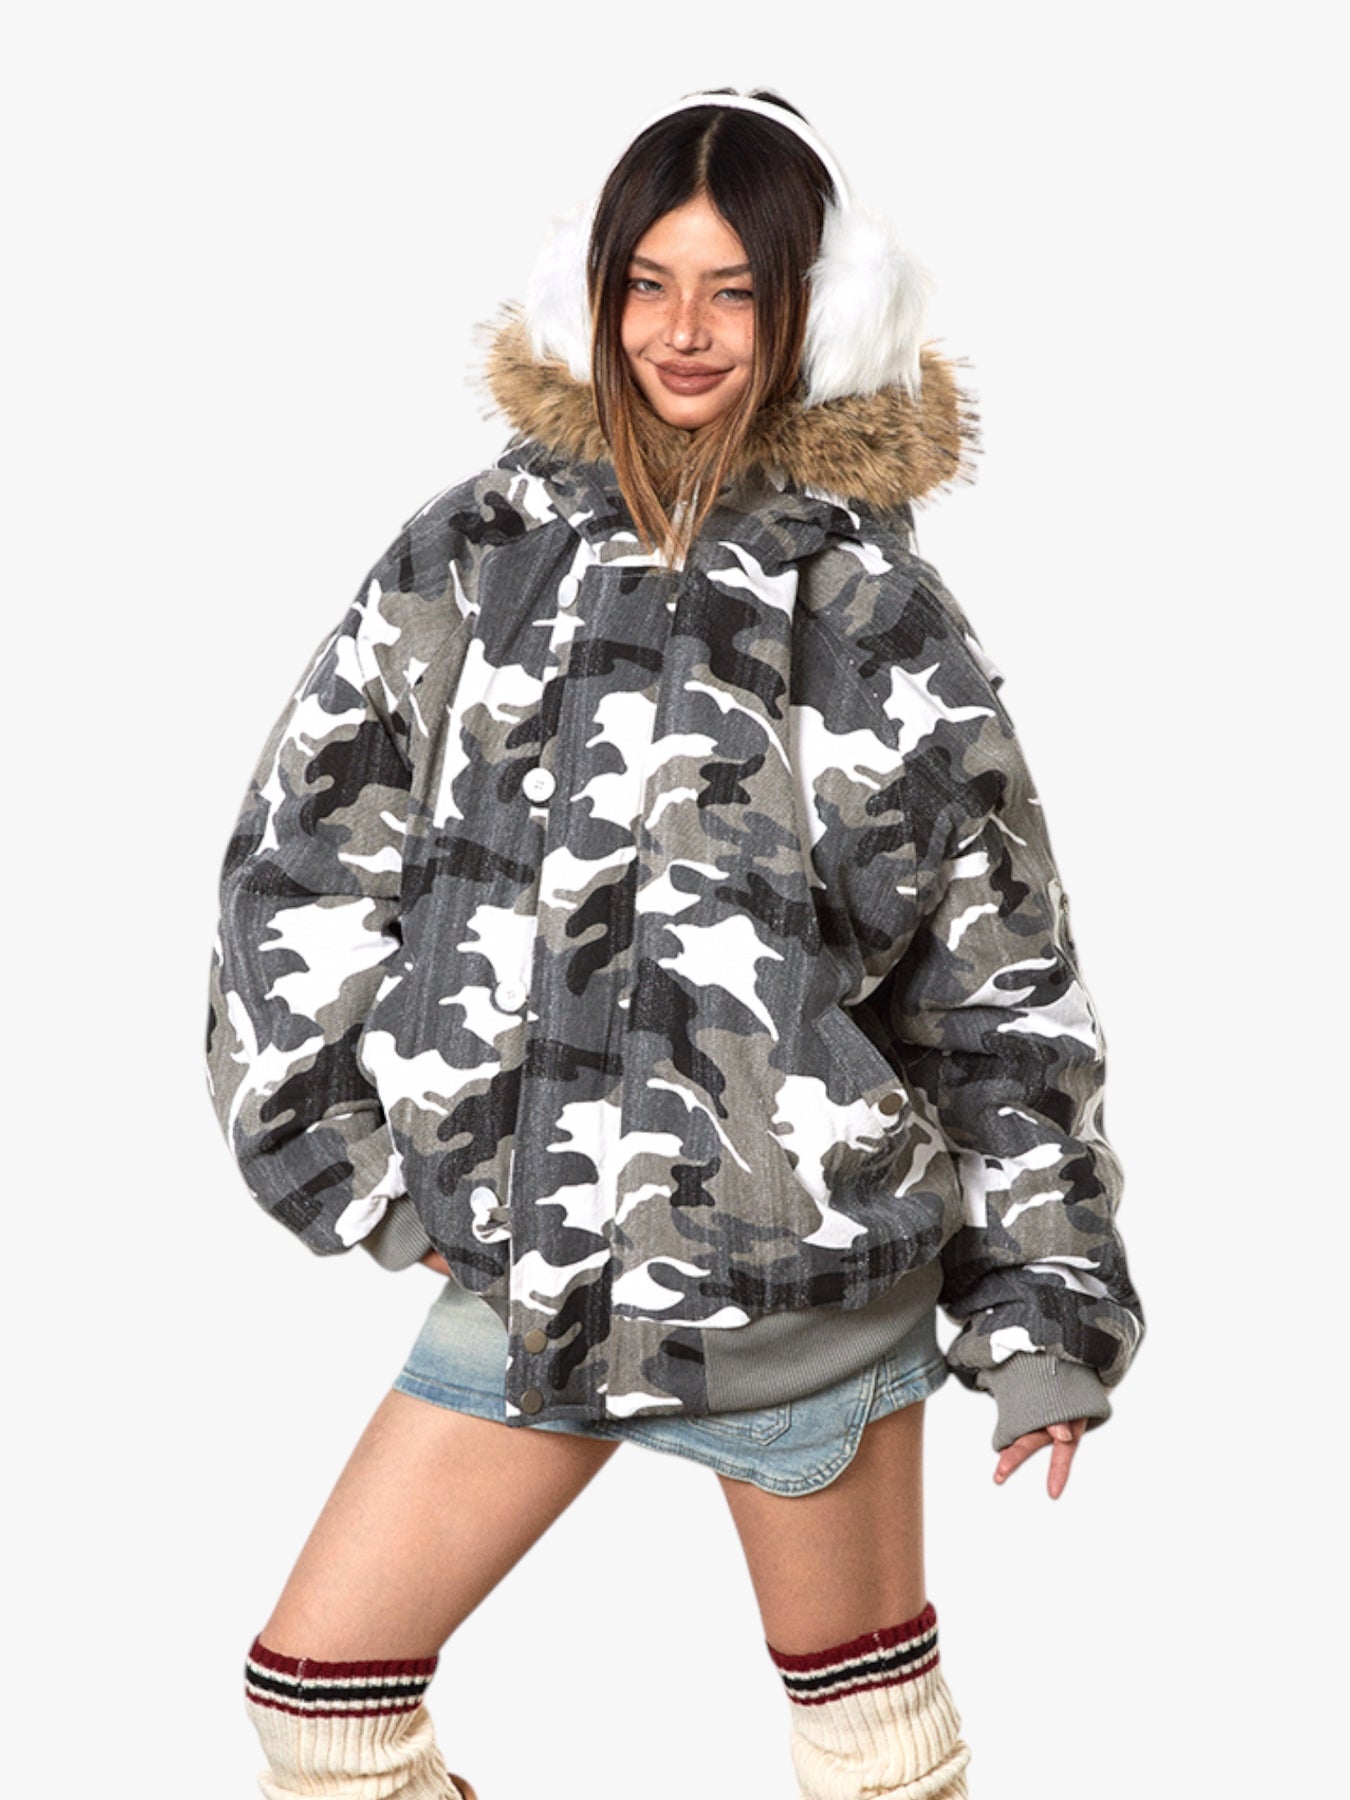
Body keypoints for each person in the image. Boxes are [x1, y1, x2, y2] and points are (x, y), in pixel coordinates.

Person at [207, 88, 1144, 1800]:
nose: (684, 331)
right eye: (646, 283)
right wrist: (365, 1173)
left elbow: (996, 985)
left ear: (812, 315)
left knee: (871, 1760)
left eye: (734, 290)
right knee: (321, 1710)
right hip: (528, 1274)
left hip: (805, 1285)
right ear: (594, 296)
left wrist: (1043, 1309)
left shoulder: (873, 608)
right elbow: (301, 862)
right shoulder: (474, 554)